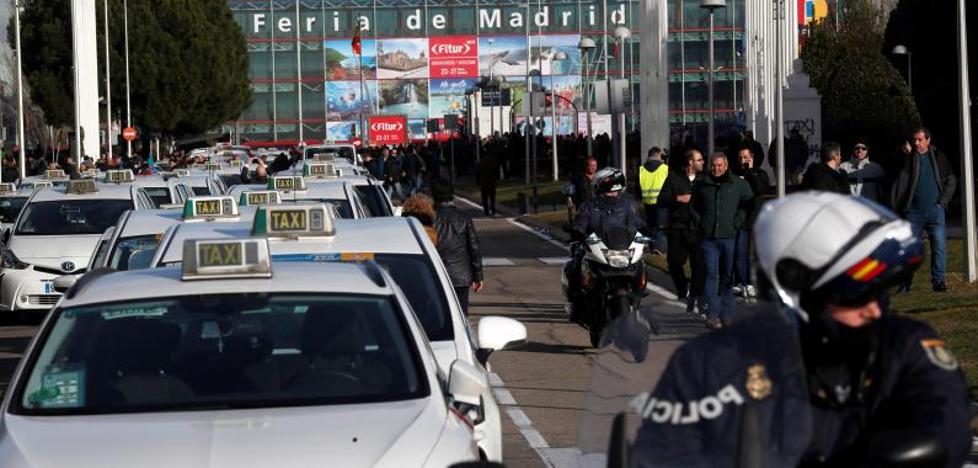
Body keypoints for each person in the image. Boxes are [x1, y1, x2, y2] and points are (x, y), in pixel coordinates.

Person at [631, 192, 970, 467]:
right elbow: (661, 449)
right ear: (795, 293)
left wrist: (902, 448)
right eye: (856, 296)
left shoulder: (907, 346)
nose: (873, 310)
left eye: (880, 293)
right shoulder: (708, 364)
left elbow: (944, 412)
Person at [691, 153, 754, 328]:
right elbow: (693, 206)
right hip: (709, 238)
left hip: (729, 237)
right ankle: (712, 314)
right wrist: (700, 221)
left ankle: (726, 313)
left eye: (719, 165)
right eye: (713, 165)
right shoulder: (702, 184)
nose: (716, 169)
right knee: (711, 274)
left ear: (725, 166)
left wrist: (738, 222)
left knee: (727, 276)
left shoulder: (737, 184)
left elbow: (748, 203)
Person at [891, 127, 957, 293]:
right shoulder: (907, 158)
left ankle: (939, 282)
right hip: (912, 213)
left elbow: (951, 180)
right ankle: (905, 284)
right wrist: (906, 155)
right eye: (914, 140)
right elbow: (898, 174)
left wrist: (942, 203)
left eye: (920, 140)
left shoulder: (940, 158)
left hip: (935, 212)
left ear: (928, 140)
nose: (916, 143)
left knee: (940, 248)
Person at [658, 149, 707, 314]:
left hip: (697, 228)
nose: (702, 162)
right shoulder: (674, 177)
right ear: (690, 163)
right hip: (678, 226)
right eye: (699, 160)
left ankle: (696, 295)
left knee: (699, 264)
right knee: (674, 261)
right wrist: (678, 198)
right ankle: (682, 288)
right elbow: (662, 199)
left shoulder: (704, 179)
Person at [430, 178, 484, 315]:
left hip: (435, 275)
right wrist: (478, 276)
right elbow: (474, 248)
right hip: (460, 275)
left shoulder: (428, 219)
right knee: (461, 315)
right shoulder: (463, 218)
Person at [732, 145, 771, 298]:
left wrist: (749, 172)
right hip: (740, 219)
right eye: (740, 157)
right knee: (740, 252)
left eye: (746, 157)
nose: (743, 160)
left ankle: (752, 283)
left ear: (752, 157)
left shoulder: (760, 174)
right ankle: (741, 282)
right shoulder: (735, 175)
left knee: (754, 254)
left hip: (755, 218)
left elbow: (760, 189)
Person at [638, 147, 669, 254]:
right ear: (656, 155)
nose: (663, 157)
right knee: (660, 226)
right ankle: (657, 248)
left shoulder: (641, 169)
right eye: (661, 155)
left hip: (647, 202)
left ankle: (650, 246)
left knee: (651, 225)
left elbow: (637, 188)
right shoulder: (665, 168)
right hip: (661, 202)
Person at [839, 138, 886, 203]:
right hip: (850, 206)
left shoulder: (876, 168)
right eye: (857, 148)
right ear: (853, 149)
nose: (860, 150)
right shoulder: (843, 167)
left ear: (867, 150)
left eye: (863, 148)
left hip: (870, 207)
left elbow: (881, 192)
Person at [476, 148, 500, 216]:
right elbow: (496, 171)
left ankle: (486, 210)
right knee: (492, 197)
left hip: (483, 181)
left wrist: (478, 181)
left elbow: (478, 172)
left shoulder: (481, 162)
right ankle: (493, 209)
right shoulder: (493, 161)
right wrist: (496, 178)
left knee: (484, 197)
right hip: (491, 181)